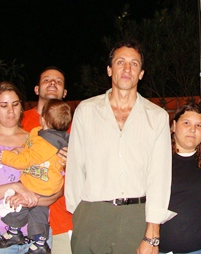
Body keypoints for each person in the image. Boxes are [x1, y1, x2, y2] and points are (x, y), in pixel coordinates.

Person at [65, 39, 175, 253]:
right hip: (91, 215)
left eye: (134, 64)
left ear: (141, 73)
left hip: (136, 218)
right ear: (109, 69)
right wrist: (79, 215)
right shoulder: (85, 111)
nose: (127, 68)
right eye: (120, 62)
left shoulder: (157, 117)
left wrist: (152, 232)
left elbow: (159, 178)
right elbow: (75, 168)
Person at [0, 66, 72, 254]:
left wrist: (32, 198)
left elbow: (57, 187)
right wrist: (16, 188)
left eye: (15, 104)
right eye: (3, 105)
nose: (10, 111)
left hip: (37, 240)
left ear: (21, 106)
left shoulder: (39, 139)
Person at [0, 99, 72, 254]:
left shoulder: (48, 143)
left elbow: (27, 160)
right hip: (42, 183)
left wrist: (7, 157)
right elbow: (28, 147)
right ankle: (40, 242)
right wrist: (19, 149)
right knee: (38, 212)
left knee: (19, 202)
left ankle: (15, 231)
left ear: (43, 118)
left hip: (42, 184)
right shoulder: (38, 132)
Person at [159, 103, 201, 254]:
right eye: (186, 123)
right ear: (173, 126)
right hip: (161, 249)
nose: (193, 129)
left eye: (199, 125)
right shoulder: (157, 161)